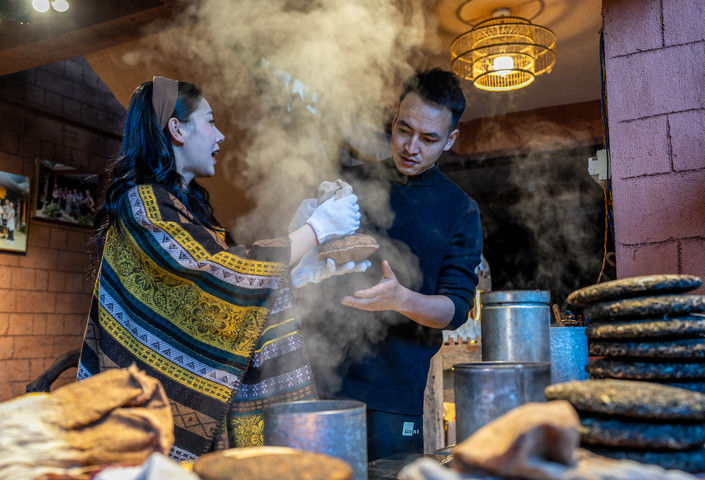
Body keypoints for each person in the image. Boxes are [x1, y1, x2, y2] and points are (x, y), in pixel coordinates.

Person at [77, 77, 361, 460]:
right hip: (147, 420)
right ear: (177, 129)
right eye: (210, 121)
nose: (220, 135)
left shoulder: (183, 207)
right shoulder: (141, 205)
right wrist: (316, 229)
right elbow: (219, 276)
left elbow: (218, 297)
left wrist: (297, 270)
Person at [304, 68, 483, 460]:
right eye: (404, 129)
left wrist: (401, 299)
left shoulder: (459, 210)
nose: (410, 147)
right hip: (319, 378)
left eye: (429, 139)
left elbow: (455, 309)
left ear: (450, 140)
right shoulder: (350, 185)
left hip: (395, 394)